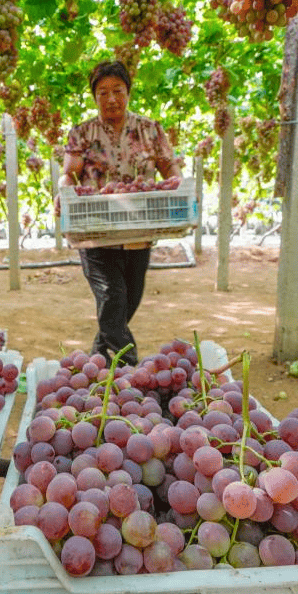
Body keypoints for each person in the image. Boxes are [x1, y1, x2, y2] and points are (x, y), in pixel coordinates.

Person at [61, 60, 182, 367]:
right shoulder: (83, 133)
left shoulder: (149, 130)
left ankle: (96, 363)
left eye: (117, 90)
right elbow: (70, 175)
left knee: (127, 301)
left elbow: (170, 169)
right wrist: (61, 194)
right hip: (96, 234)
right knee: (113, 298)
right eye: (103, 92)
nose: (111, 98)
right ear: (94, 97)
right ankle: (133, 370)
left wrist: (180, 190)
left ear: (128, 92)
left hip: (138, 234)